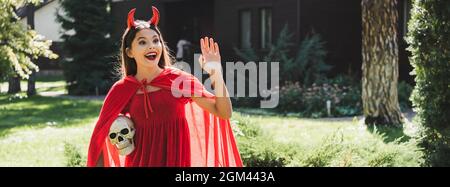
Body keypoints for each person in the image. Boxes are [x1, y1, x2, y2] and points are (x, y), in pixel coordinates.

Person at [86, 6, 242, 167]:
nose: (152, 46)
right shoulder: (122, 89)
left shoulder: (178, 80)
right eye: (142, 42)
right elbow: (99, 138)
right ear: (129, 52)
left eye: (155, 40)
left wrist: (215, 73)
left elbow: (224, 112)